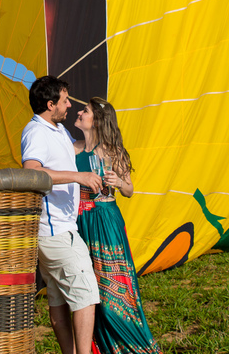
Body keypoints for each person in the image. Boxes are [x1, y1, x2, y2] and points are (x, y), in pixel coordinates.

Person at [21, 75, 104, 354]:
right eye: (65, 100)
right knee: (85, 296)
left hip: (59, 229)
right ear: (50, 104)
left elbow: (79, 151)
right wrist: (77, 177)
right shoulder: (36, 132)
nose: (70, 105)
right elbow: (32, 173)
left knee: (57, 301)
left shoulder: (57, 130)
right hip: (56, 231)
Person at [74, 98, 163, 354]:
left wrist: (119, 182)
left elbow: (130, 190)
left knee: (113, 283)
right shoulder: (73, 149)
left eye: (85, 111)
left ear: (97, 121)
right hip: (80, 221)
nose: (79, 113)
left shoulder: (114, 152)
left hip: (105, 221)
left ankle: (132, 343)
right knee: (87, 285)